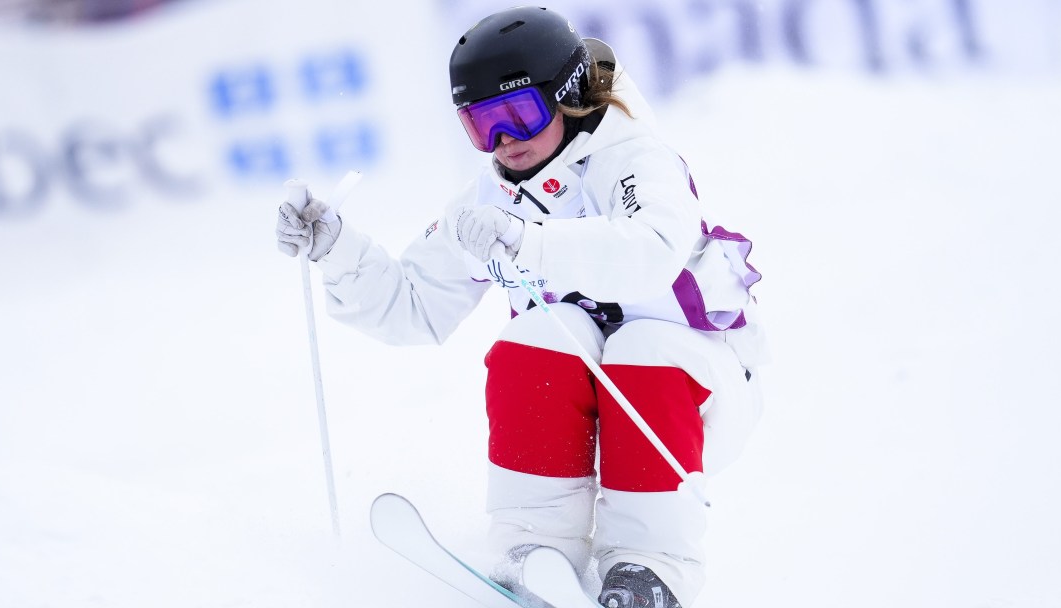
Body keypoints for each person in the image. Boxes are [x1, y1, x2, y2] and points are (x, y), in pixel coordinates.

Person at [276, 6, 768, 607]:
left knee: (644, 346)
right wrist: (335, 250)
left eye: (517, 115)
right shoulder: (487, 201)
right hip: (591, 409)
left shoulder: (635, 160)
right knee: (541, 333)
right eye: (481, 125)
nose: (503, 142)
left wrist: (527, 241)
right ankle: (537, 554)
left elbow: (651, 252)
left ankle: (647, 570)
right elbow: (414, 307)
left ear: (567, 95)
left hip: (697, 400)